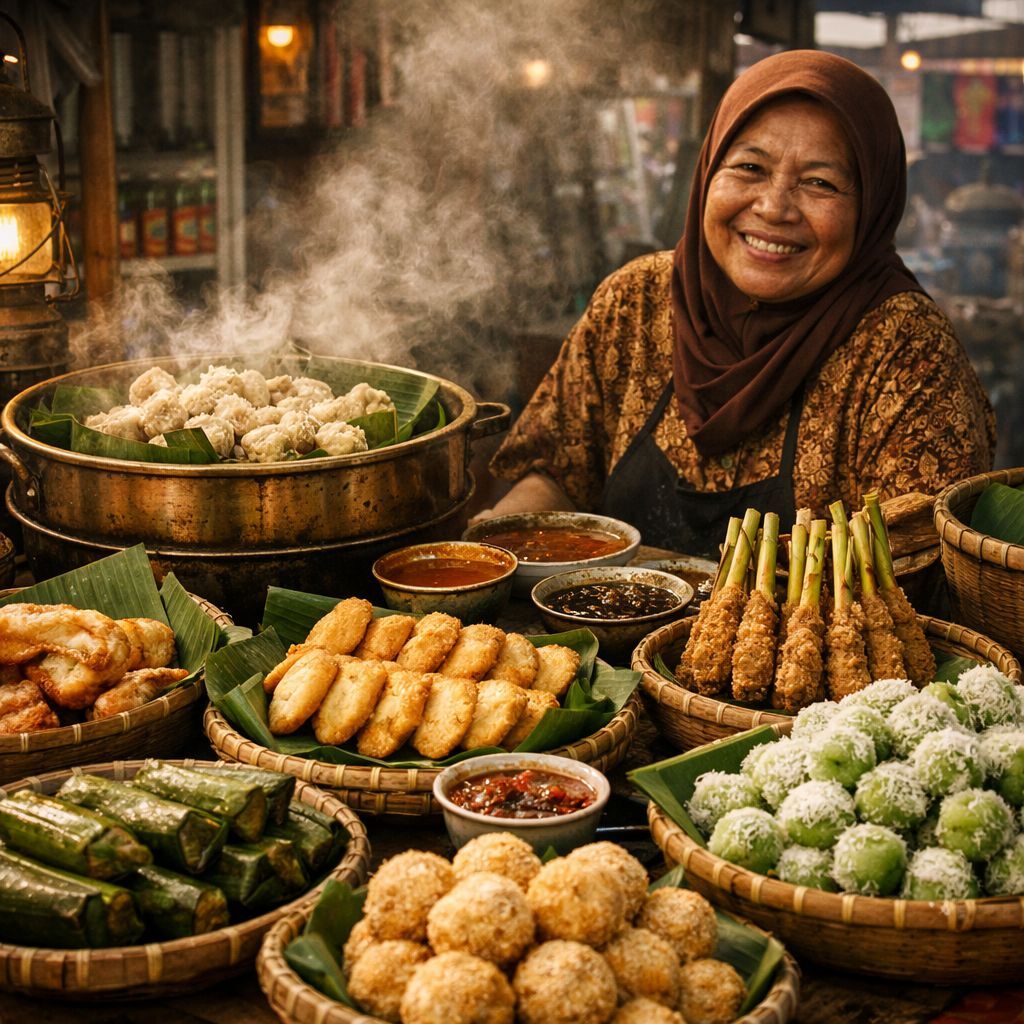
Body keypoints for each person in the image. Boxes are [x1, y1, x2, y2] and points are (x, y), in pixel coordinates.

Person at [478, 50, 995, 559]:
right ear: (708, 173)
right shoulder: (636, 300)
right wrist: (486, 546)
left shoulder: (905, 346)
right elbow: (557, 477)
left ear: (873, 205)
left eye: (820, 182)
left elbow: (917, 560)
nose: (772, 208)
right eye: (749, 167)